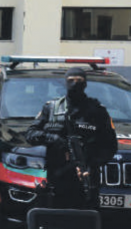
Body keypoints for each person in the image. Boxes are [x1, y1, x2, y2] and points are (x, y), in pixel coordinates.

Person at [26, 67, 117, 209]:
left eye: (79, 80)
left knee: (86, 216)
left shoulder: (97, 111)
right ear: (65, 83)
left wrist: (91, 163)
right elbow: (31, 134)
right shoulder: (52, 108)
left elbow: (110, 145)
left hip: (86, 178)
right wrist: (54, 139)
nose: (75, 84)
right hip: (57, 179)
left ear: (85, 84)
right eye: (71, 80)